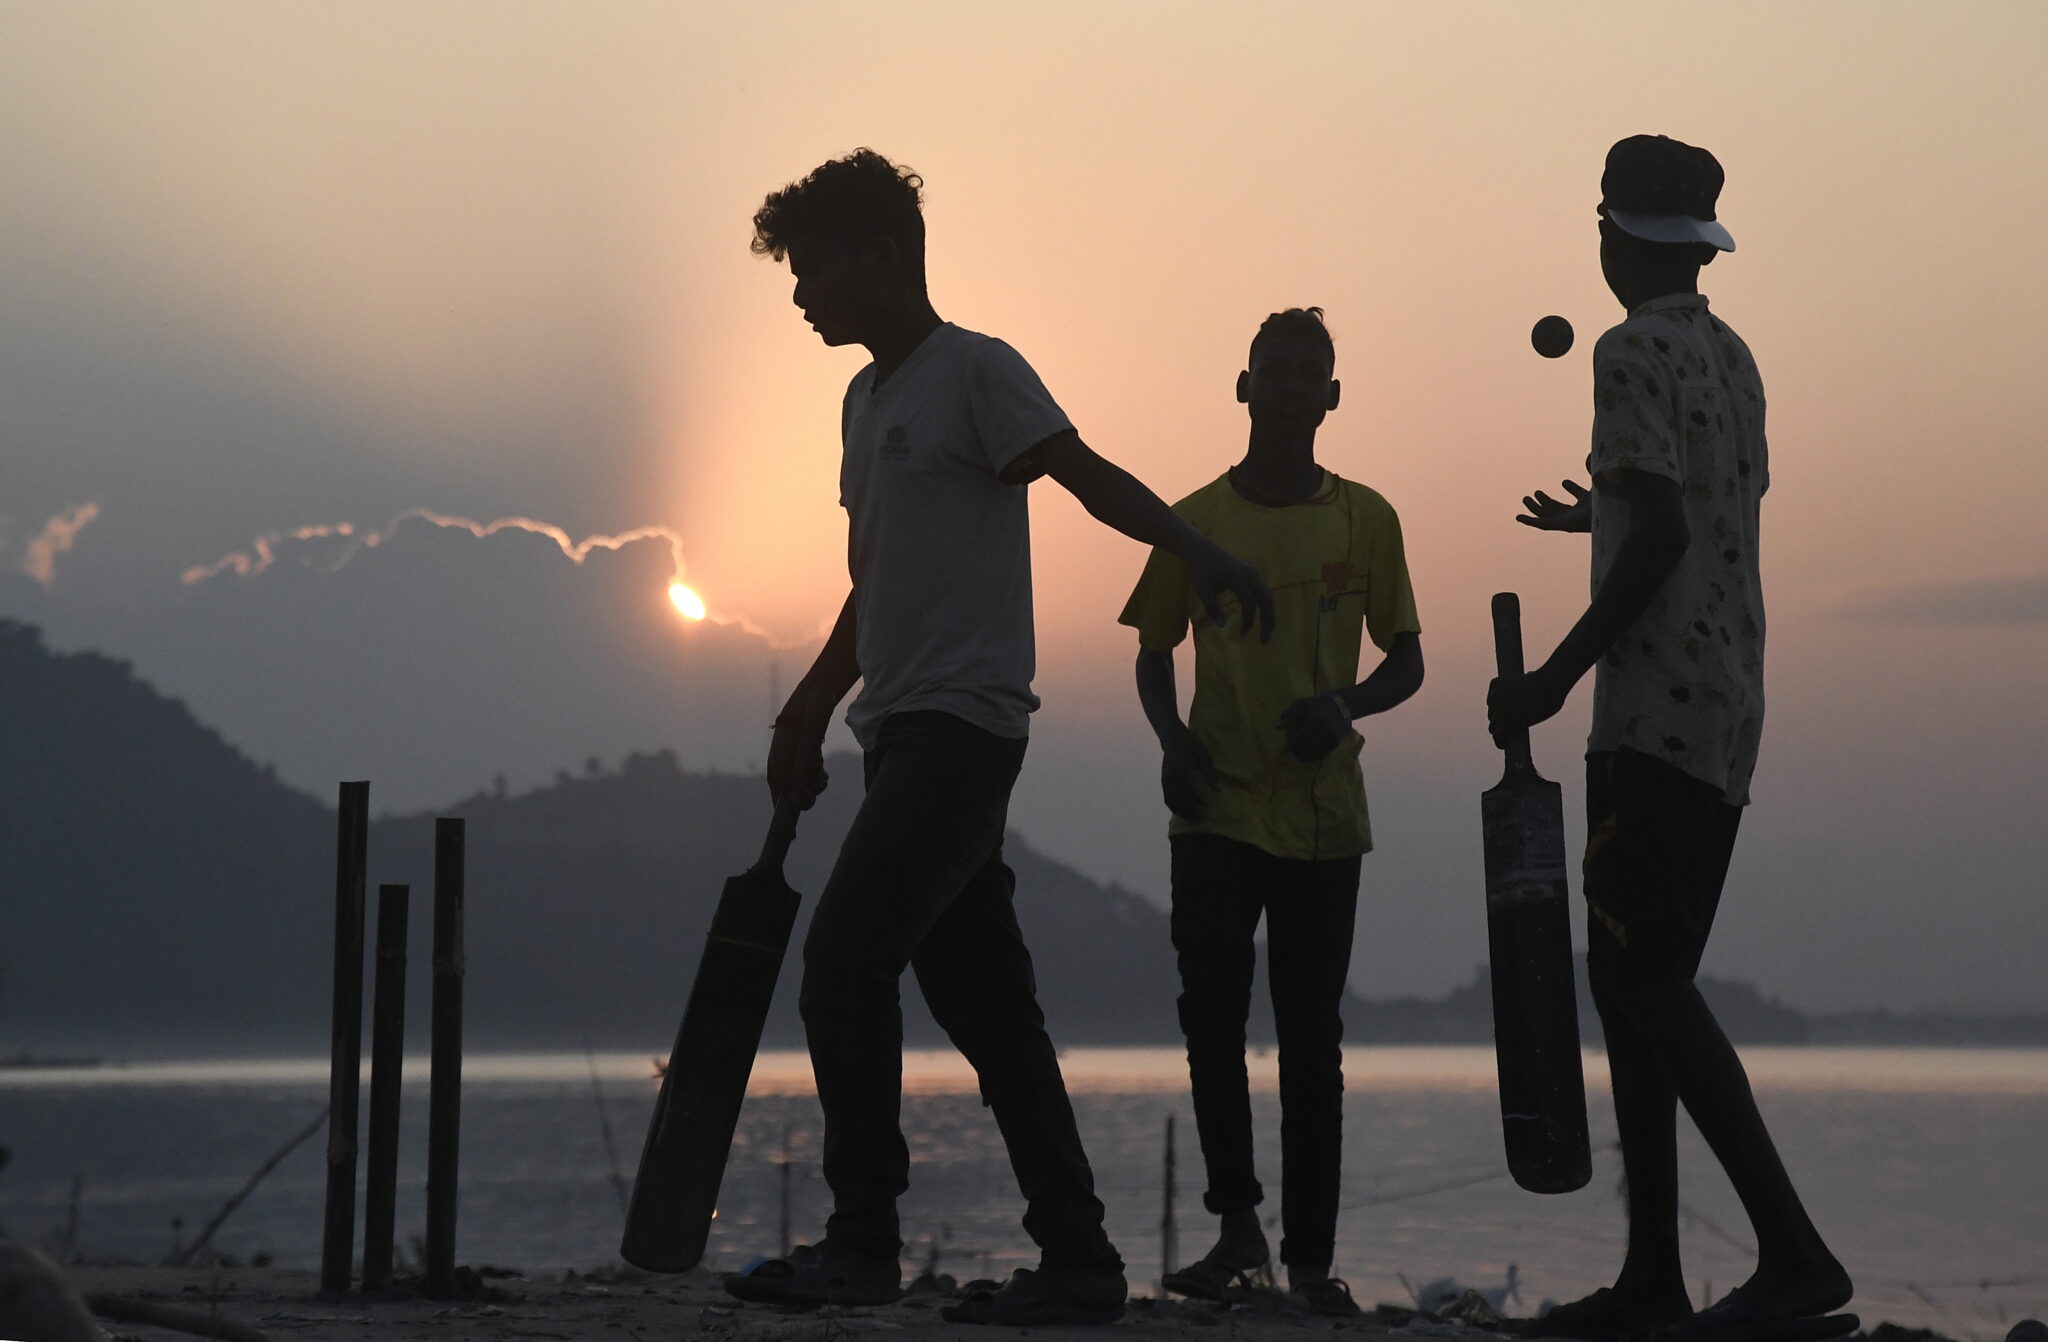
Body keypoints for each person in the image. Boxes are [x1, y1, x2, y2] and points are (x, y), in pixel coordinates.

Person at [723, 148, 1276, 1328]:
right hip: (893, 735)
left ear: (881, 255)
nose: (799, 294)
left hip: (963, 737)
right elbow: (872, 584)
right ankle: (1077, 1259)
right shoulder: (863, 403)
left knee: (843, 966)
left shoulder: (972, 371)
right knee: (990, 1013)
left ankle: (862, 1240)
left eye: (813, 270)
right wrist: (807, 705)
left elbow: (1080, 477)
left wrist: (1204, 553)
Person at [1489, 135, 1853, 1342]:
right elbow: (1690, 506)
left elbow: (1658, 548)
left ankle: (1793, 1254)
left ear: (1609, 236)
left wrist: (1547, 675)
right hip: (1730, 704)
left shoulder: (1625, 348)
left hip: (1648, 713)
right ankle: (1651, 1277)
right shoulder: (1729, 355)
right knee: (1634, 982)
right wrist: (1597, 509)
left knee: (1641, 978)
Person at [1119, 307, 1423, 1317]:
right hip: (1212, 811)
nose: (1290, 386)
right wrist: (1171, 747)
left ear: (1331, 397)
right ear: (1241, 388)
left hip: (1325, 819)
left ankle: (1307, 1263)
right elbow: (1152, 651)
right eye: (1273, 370)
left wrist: (1343, 705)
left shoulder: (1365, 518)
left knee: (1309, 1040)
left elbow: (1406, 661)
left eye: (1309, 373)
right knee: (1210, 1019)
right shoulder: (1192, 520)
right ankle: (1235, 1226)